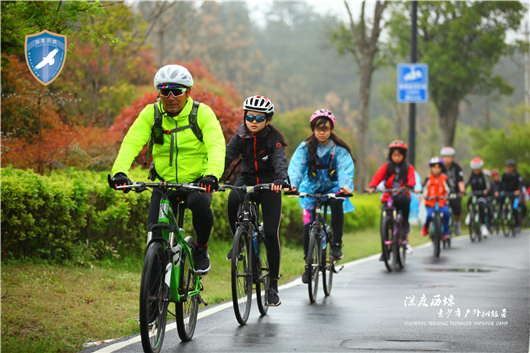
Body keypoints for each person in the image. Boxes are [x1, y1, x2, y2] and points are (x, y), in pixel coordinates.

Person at [108, 64, 226, 273]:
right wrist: (120, 172)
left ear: (188, 92)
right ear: (159, 93)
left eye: (177, 91)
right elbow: (132, 142)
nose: (171, 97)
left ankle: (201, 248)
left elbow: (216, 145)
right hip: (164, 182)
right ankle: (154, 291)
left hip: (197, 181)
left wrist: (212, 175)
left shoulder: (202, 113)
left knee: (200, 205)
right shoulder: (151, 114)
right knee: (157, 236)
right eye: (165, 91)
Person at [224, 95, 288, 306]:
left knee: (270, 233)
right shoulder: (240, 136)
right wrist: (213, 177)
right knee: (233, 200)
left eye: (259, 118)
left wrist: (280, 179)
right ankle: (240, 241)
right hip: (247, 178)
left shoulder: (273, 138)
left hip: (270, 184)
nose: (253, 121)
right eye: (249, 117)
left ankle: (272, 286)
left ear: (267, 121)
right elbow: (226, 157)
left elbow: (280, 159)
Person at [288, 109, 355, 283]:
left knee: (336, 203)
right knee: (307, 223)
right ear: (313, 129)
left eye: (325, 128)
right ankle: (307, 263)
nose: (322, 132)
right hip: (310, 190)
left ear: (331, 129)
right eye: (318, 128)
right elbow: (296, 167)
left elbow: (345, 168)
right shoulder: (305, 148)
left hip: (333, 189)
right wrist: (292, 185)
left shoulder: (339, 149)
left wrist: (345, 186)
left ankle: (337, 245)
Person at [367, 140, 416, 256]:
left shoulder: (408, 167)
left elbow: (412, 179)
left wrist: (409, 186)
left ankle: (405, 223)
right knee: (384, 221)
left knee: (404, 200)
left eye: (399, 155)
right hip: (388, 196)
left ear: (403, 156)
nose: (397, 158)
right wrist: (372, 187)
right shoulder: (386, 167)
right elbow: (377, 177)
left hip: (401, 195)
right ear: (390, 156)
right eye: (394, 155)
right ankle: (385, 250)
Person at [421, 157, 451, 240]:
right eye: (434, 167)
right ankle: (425, 227)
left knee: (446, 213)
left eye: (438, 167)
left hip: (442, 202)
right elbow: (423, 188)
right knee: (429, 215)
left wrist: (451, 194)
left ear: (441, 168)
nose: (436, 170)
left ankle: (445, 232)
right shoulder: (428, 178)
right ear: (431, 168)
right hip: (430, 202)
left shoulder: (444, 178)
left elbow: (449, 189)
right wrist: (422, 194)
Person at [440, 146, 465, 235]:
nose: (447, 159)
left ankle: (457, 223)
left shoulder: (457, 167)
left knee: (456, 206)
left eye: (449, 157)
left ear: (453, 158)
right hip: (442, 192)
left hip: (454, 193)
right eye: (445, 157)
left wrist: (462, 191)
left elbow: (460, 181)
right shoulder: (439, 167)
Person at [495, 159, 525, 232]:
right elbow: (500, 184)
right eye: (508, 167)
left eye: (511, 167)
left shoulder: (517, 175)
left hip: (514, 194)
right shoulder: (504, 175)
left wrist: (518, 191)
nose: (509, 169)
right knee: (500, 201)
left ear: (514, 167)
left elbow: (520, 184)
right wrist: (497, 191)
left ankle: (517, 224)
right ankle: (502, 214)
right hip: (506, 193)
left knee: (515, 207)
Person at [465, 157, 490, 237]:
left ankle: (483, 226)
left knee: (481, 207)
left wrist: (486, 190)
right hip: (473, 193)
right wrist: (463, 190)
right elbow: (466, 183)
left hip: (481, 194)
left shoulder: (483, 175)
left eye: (477, 169)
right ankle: (470, 213)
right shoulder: (471, 175)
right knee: (469, 201)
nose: (476, 171)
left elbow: (488, 185)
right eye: (474, 169)